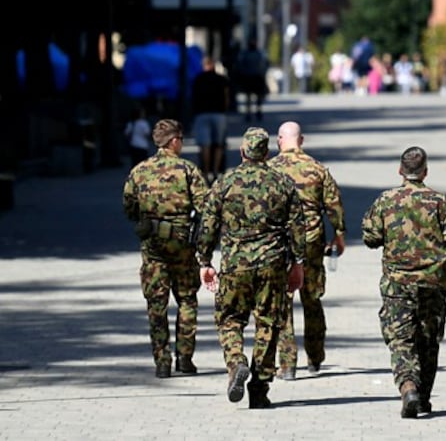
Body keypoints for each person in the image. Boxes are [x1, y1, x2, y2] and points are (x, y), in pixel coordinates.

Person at [195, 127, 306, 409]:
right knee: (268, 323)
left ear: (243, 152)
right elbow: (297, 227)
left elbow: (207, 226)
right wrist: (298, 263)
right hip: (272, 264)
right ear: (267, 154)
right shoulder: (282, 182)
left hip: (235, 264)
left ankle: (236, 362)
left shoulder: (225, 182)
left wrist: (205, 262)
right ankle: (259, 389)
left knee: (229, 319)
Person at [361, 146, 446, 419]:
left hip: (397, 281)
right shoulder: (439, 200)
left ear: (400, 171)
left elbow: (370, 237)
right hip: (432, 281)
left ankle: (408, 387)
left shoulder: (386, 200)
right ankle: (423, 396)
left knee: (401, 338)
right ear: (425, 171)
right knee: (428, 339)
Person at [122, 119, 209, 379]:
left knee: (156, 305)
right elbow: (206, 207)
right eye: (181, 138)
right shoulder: (187, 170)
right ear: (173, 141)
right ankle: (185, 358)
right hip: (182, 246)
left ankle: (162, 361)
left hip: (153, 248)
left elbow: (129, 207)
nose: (182, 143)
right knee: (187, 300)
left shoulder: (139, 171)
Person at [269, 121, 346, 381]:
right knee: (312, 298)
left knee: (283, 301)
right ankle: (315, 357)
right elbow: (334, 205)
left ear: (280, 140)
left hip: (281, 241)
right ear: (301, 140)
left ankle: (287, 364)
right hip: (312, 240)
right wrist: (339, 234)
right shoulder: (317, 169)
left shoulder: (269, 169)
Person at [191, 56, 230, 182]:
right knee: (219, 144)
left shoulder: (198, 79)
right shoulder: (221, 79)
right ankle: (215, 171)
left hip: (202, 114)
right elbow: (226, 96)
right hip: (218, 114)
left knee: (205, 145)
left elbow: (193, 97)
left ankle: (206, 172)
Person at [236, 39, 269, 121]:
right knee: (253, 96)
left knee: (252, 96)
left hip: (252, 77)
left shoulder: (251, 54)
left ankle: (253, 112)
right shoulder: (257, 54)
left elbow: (240, 65)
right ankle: (253, 112)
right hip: (253, 77)